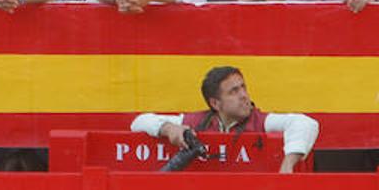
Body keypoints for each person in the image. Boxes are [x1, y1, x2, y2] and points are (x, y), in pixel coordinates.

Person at [131, 67, 320, 174]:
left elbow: (305, 123)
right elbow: (139, 121)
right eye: (234, 92)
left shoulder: (261, 121)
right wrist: (168, 128)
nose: (244, 95)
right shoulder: (196, 121)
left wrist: (288, 164)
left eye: (243, 87)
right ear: (215, 103)